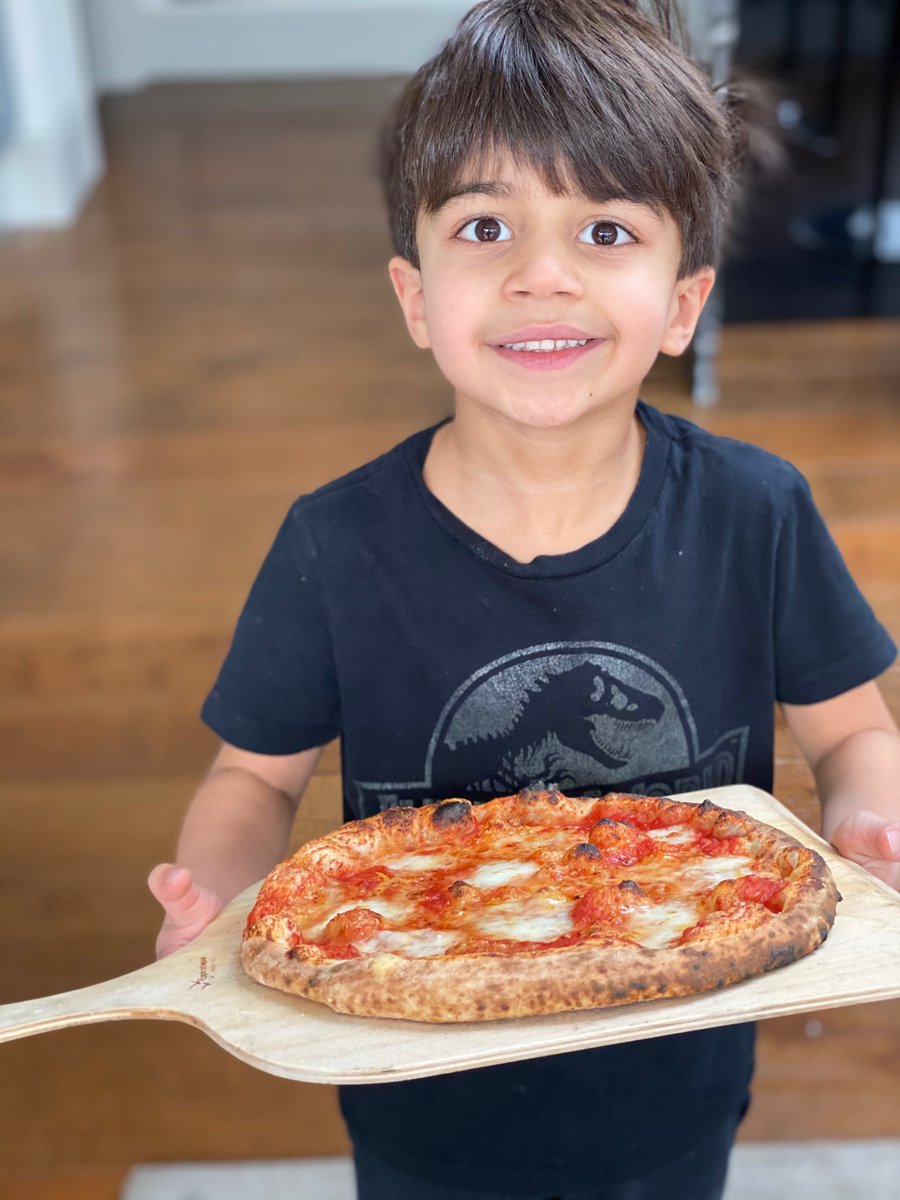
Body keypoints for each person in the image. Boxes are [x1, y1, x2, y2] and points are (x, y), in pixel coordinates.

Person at [148, 2, 900, 1197]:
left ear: (685, 304)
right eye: (486, 225)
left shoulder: (755, 512)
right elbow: (253, 777)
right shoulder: (335, 544)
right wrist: (223, 894)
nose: (541, 274)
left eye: (605, 229)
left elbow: (854, 728)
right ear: (413, 294)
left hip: (679, 1065)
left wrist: (870, 822)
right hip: (410, 1076)